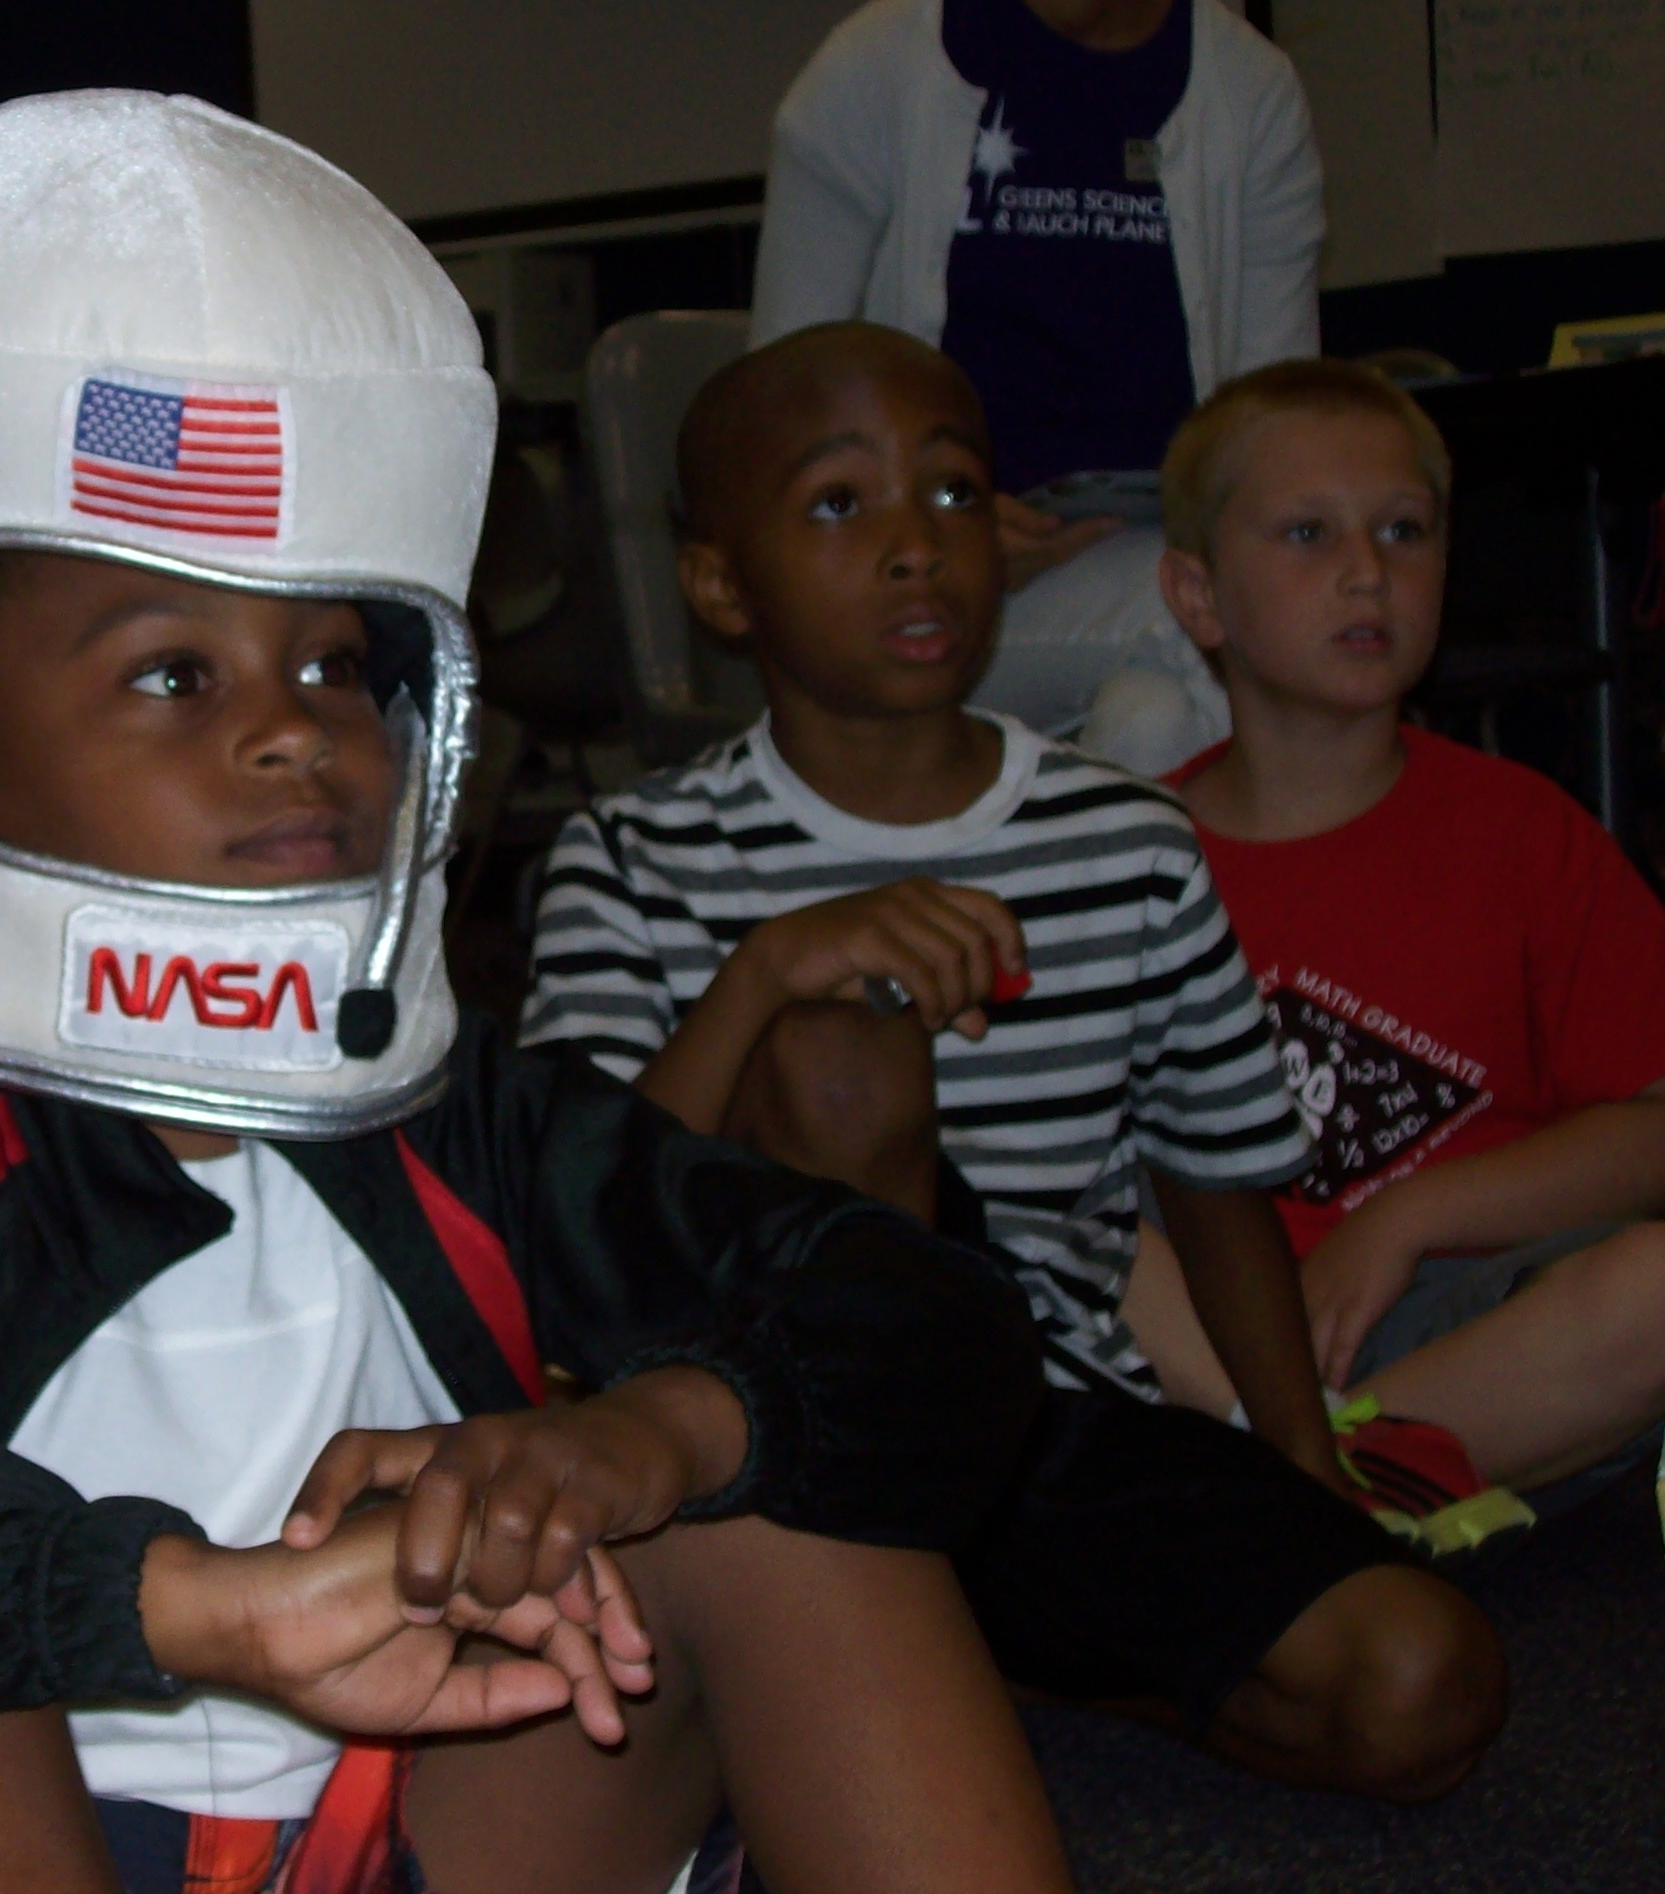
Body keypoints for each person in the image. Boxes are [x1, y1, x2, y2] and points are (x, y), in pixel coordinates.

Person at [0, 90, 1073, 1894]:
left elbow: (942, 1328)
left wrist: (638, 1437)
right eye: (173, 671)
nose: (293, 726)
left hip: (388, 1816)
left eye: (338, 659)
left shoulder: (453, 1110)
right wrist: (186, 1600)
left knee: (789, 1500)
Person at [521, 321, 1501, 1800]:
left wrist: (1301, 1466)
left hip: (1038, 1416)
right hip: (764, 1448)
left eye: (956, 493)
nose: (916, 548)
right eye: (840, 505)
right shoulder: (632, 854)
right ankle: (849, 1624)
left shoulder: (1125, 838)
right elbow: (577, 1213)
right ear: (721, 582)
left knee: (1423, 1684)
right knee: (844, 1057)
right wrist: (768, 968)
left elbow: (1213, 1172)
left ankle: (1005, 1655)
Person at [1123, 359, 1665, 1511]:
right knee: (1020, 1199)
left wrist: (1410, 1217)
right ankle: (1307, 1490)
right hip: (1210, 1354)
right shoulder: (1126, 855)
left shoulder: (1526, 832)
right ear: (1198, 596)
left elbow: (1651, 1135)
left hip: (1466, 1332)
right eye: (1308, 533)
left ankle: (1316, 1505)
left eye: (1404, 530)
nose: (1367, 572)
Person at [750, 0, 1321, 774]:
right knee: (1232, 614)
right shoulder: (869, 76)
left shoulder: (1249, 97)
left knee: (1155, 720)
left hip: (1156, 563)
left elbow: (1278, 425)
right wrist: (937, 527)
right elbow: (769, 430)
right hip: (919, 582)